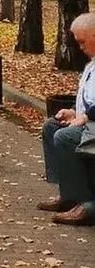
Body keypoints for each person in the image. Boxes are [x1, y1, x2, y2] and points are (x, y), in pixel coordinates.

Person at [39, 13, 95, 225]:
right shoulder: (91, 64)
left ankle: (83, 202)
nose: (80, 47)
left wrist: (85, 117)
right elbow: (89, 98)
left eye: (82, 41)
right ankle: (67, 192)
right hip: (90, 120)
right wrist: (73, 112)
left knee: (65, 136)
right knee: (51, 127)